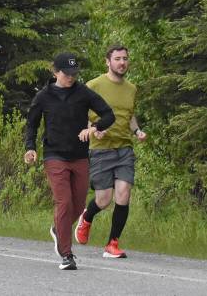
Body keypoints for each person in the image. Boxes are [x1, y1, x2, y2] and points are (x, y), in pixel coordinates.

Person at [24, 52, 115, 271]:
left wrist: (93, 128)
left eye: (74, 74)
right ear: (55, 72)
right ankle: (67, 254)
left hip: (80, 156)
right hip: (54, 156)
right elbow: (32, 124)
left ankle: (58, 229)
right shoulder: (43, 96)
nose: (71, 78)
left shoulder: (83, 92)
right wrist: (30, 147)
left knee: (78, 205)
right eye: (67, 74)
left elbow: (108, 115)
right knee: (63, 202)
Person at [76, 45, 147, 259]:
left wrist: (137, 131)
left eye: (125, 58)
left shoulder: (132, 88)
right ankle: (87, 217)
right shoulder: (94, 85)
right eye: (117, 58)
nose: (122, 62)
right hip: (101, 149)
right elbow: (82, 112)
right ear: (108, 62)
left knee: (124, 194)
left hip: (124, 147)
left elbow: (129, 114)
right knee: (104, 200)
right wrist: (92, 129)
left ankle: (112, 244)